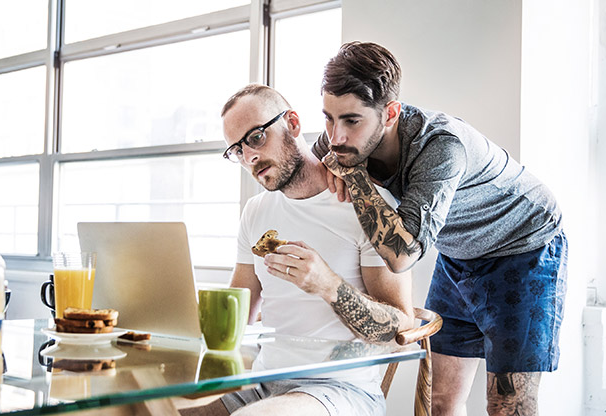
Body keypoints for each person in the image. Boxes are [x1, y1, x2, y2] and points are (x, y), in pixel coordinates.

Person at [315, 41, 567, 416]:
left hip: (524, 248)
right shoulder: (341, 138)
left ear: (390, 114)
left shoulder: (440, 146)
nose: (335, 138)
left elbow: (402, 256)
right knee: (439, 401)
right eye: (328, 118)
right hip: (460, 255)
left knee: (506, 405)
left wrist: (354, 178)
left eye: (351, 120)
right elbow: (307, 171)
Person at [180, 84, 414, 416]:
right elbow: (237, 312)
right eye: (237, 150)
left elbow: (401, 330)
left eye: (256, 137)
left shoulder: (367, 209)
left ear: (292, 123)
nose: (250, 157)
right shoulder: (256, 212)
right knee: (141, 410)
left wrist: (327, 284)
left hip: (340, 390)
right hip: (262, 386)